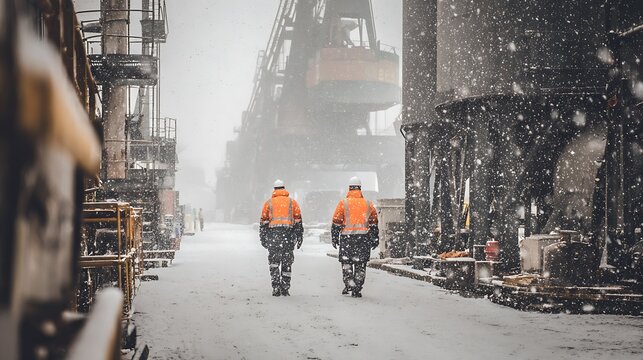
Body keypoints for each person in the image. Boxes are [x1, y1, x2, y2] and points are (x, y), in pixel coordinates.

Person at [331, 176, 378, 298]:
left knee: (346, 262)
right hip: (363, 239)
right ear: (360, 188)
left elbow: (336, 221)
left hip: (347, 238)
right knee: (360, 263)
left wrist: (335, 237)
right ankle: (357, 287)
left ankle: (349, 283)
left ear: (349, 188)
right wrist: (375, 238)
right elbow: (373, 223)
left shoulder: (343, 203)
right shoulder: (368, 204)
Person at [260, 180, 304, 296]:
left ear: (274, 189)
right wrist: (299, 237)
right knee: (287, 263)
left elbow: (263, 223)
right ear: (284, 189)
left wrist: (263, 238)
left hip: (273, 237)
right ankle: (285, 287)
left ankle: (275, 286)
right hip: (288, 237)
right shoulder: (292, 203)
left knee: (274, 263)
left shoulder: (268, 203)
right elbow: (298, 222)